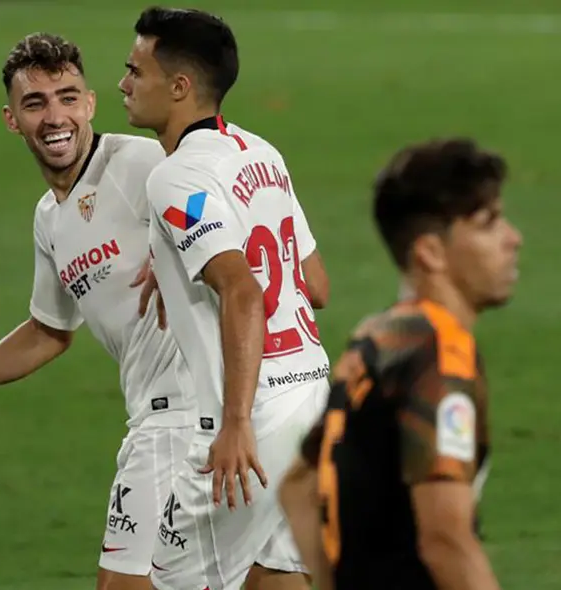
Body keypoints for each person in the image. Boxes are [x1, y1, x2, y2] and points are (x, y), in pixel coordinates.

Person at [0, 32, 195, 590]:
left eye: (68, 97)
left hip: (182, 416)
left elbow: (225, 202)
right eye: (36, 103)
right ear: (12, 119)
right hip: (166, 418)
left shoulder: (140, 164)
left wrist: (183, 249)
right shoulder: (50, 220)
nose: (56, 116)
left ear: (91, 103)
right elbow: (48, 331)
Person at [118, 7, 331, 590]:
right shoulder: (262, 152)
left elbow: (242, 289)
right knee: (280, 579)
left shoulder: (175, 177)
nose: (123, 84)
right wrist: (179, 265)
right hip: (313, 403)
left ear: (180, 87)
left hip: (251, 424)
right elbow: (316, 286)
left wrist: (235, 422)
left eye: (136, 70)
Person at [279, 138, 519, 590]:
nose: (513, 238)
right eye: (489, 223)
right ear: (430, 252)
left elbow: (300, 488)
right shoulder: (442, 356)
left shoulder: (379, 337)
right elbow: (446, 539)